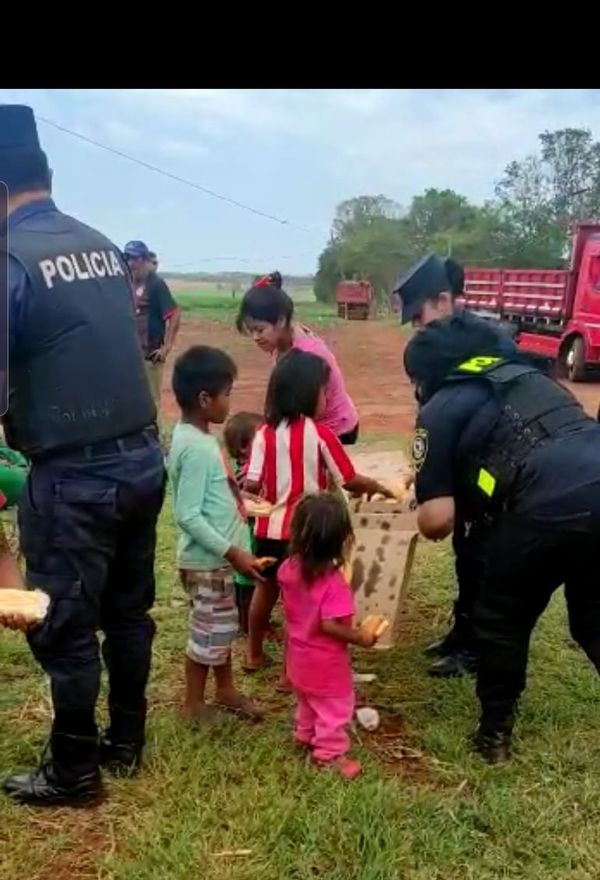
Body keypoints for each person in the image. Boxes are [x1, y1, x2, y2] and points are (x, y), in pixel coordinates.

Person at [1, 105, 166, 805]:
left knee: (67, 626)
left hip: (75, 479)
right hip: (141, 461)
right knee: (128, 612)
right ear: (48, 174)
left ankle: (74, 771)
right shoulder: (100, 244)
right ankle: (125, 741)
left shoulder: (10, 259)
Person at [403, 314, 600, 764]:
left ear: (427, 373)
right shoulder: (534, 378)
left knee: (502, 621)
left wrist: (427, 489)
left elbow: (436, 521)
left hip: (543, 505)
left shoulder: (439, 407)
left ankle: (495, 735)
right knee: (593, 618)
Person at [394, 254, 520, 677]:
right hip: (470, 465)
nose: (417, 327)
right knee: (468, 552)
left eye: (419, 316)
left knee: (484, 556)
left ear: (445, 301)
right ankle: (462, 634)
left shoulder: (489, 343)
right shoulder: (449, 343)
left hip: (501, 470)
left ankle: (477, 647)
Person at [243, 349, 393, 672]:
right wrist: (378, 486)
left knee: (265, 592)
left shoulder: (263, 434)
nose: (327, 397)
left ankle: (253, 655)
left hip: (268, 531)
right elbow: (349, 480)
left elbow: (252, 484)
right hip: (308, 535)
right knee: (302, 604)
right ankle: (289, 672)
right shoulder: (322, 434)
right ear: (308, 394)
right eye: (324, 391)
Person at [168, 346, 265, 723]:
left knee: (220, 629)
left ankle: (225, 691)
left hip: (217, 563)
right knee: (207, 634)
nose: (230, 402)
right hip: (208, 563)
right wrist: (232, 552)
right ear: (205, 399)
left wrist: (240, 495)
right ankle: (194, 705)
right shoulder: (194, 449)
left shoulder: (200, 438)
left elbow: (210, 491)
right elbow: (188, 515)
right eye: (227, 394)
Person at [279, 492, 381, 779]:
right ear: (341, 539)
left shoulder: (288, 569)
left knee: (308, 700)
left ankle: (304, 734)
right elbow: (330, 626)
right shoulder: (334, 584)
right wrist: (361, 637)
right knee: (335, 708)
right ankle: (329, 754)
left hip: (297, 655)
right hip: (325, 663)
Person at [236, 283, 359, 445]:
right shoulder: (284, 337)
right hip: (312, 424)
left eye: (259, 330)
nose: (255, 337)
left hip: (335, 430)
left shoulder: (306, 354)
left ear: (280, 321)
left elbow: (311, 409)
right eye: (251, 330)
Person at [123, 240, 181, 421]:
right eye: (128, 258)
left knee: (150, 402)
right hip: (130, 355)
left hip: (150, 355)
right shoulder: (127, 283)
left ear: (145, 260)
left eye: (135, 258)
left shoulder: (155, 284)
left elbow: (175, 313)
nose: (131, 263)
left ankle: (152, 438)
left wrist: (167, 346)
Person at [223, 410, 263, 636]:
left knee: (246, 580)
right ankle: (248, 625)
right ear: (244, 449)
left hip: (245, 533)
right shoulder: (243, 476)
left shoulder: (242, 472)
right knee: (248, 580)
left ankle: (248, 619)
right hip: (246, 535)